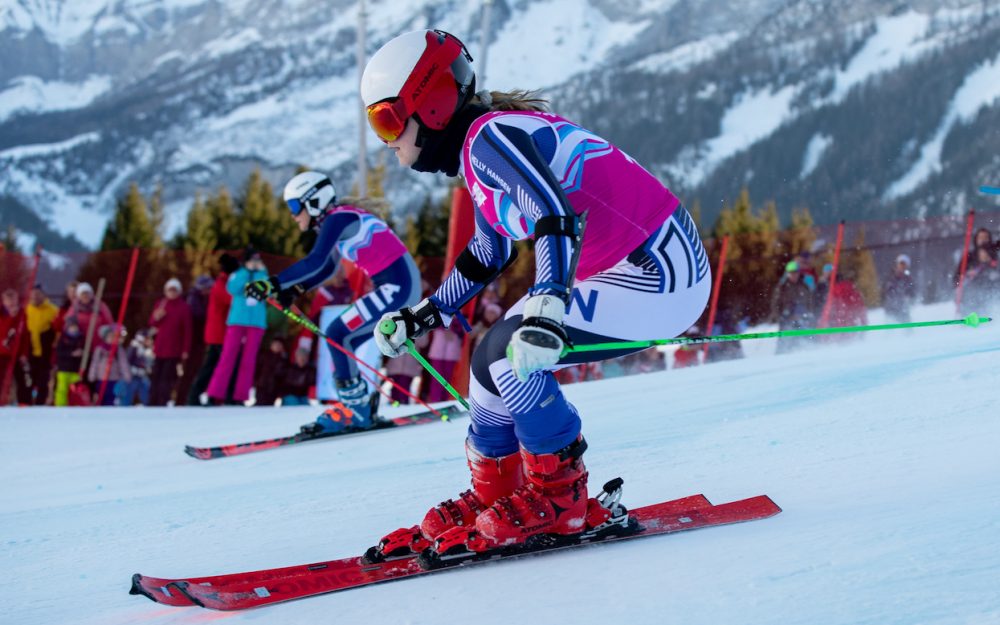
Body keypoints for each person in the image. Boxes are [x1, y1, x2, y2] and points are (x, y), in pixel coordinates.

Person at [363, 30, 710, 557]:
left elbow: (553, 212)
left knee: (509, 355)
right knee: (485, 362)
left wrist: (547, 305)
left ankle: (559, 498)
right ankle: (494, 495)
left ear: (429, 105)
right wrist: (421, 315)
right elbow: (488, 254)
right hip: (627, 269)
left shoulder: (488, 138)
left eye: (386, 119)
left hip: (659, 274)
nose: (385, 139)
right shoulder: (483, 150)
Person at [245, 171, 421, 434]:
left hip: (397, 288)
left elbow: (315, 260)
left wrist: (274, 283)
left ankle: (356, 409)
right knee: (339, 335)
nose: (293, 216)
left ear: (313, 200)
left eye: (295, 207)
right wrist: (296, 289)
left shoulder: (337, 218)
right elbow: (327, 268)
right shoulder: (340, 218)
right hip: (397, 287)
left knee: (339, 334)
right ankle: (358, 406)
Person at [207, 249, 268, 406]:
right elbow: (232, 288)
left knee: (248, 360)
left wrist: (259, 272)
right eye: (252, 259)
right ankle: (215, 394)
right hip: (237, 320)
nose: (255, 262)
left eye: (257, 259)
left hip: (256, 322)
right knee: (227, 357)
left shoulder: (263, 273)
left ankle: (240, 396)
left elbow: (268, 291)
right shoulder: (238, 273)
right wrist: (246, 272)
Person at [187, 254, 239, 405]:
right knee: (217, 367)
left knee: (212, 366)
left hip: (218, 333)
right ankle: (202, 396)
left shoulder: (222, 282)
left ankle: (200, 396)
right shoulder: (222, 284)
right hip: (219, 334)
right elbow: (232, 300)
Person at [148, 278, 192, 406]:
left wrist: (185, 350)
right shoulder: (161, 304)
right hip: (160, 347)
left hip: (174, 349)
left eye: (174, 290)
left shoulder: (183, 308)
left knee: (166, 378)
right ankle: (152, 401)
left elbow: (187, 330)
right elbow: (152, 323)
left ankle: (163, 401)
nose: (172, 293)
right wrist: (156, 317)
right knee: (156, 376)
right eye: (169, 290)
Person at [771, 261, 816, 354]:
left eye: (795, 272)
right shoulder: (782, 287)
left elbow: (809, 301)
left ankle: (807, 352)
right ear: (787, 274)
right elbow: (775, 303)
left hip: (802, 317)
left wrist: (809, 313)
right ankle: (781, 355)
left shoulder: (804, 285)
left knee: (805, 338)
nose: (793, 275)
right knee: (785, 341)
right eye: (791, 273)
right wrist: (779, 315)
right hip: (786, 318)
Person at [25, 285, 59, 404]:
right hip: (31, 350)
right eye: (33, 294)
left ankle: (41, 402)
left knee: (43, 380)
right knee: (30, 379)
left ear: (43, 295)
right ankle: (28, 402)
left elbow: (57, 329)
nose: (35, 297)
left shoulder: (52, 310)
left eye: (38, 294)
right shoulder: (27, 309)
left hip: (46, 351)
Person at [88, 324, 131, 406]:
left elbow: (123, 364)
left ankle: (110, 412)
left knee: (111, 398)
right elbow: (95, 363)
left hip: (114, 380)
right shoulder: (100, 350)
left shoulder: (118, 350)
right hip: (101, 379)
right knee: (100, 398)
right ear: (105, 338)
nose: (112, 339)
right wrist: (92, 375)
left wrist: (126, 375)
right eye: (110, 336)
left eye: (113, 337)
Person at [1, 288, 30, 404]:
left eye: (13, 300)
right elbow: (4, 331)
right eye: (9, 300)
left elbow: (25, 336)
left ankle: (24, 403)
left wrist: (24, 353)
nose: (12, 303)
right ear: (4, 301)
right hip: (2, 353)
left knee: (21, 379)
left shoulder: (22, 315)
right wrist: (11, 318)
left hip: (17, 354)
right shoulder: (2, 314)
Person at [53, 318, 84, 406]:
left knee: (76, 389)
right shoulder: (63, 339)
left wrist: (80, 353)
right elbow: (59, 352)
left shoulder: (80, 339)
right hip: (63, 369)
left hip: (75, 370)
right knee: (62, 389)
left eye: (75, 327)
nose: (73, 329)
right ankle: (60, 405)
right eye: (71, 327)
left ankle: (75, 404)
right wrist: (71, 354)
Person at [962, 245, 1000, 315]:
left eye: (985, 253)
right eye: (981, 253)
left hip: (988, 296)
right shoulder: (974, 268)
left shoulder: (994, 266)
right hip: (974, 299)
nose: (983, 255)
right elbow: (965, 282)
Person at [882, 254, 916, 323]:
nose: (902, 267)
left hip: (903, 309)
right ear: (897, 264)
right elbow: (885, 291)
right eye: (901, 264)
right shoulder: (890, 277)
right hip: (891, 308)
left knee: (907, 328)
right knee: (891, 329)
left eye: (904, 265)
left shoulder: (908, 279)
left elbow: (912, 293)